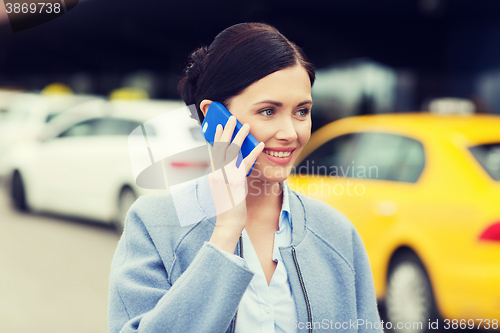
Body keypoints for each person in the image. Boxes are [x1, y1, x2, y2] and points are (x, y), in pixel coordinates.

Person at [108, 22, 382, 333]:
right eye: (268, 111)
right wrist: (225, 231)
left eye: (302, 111)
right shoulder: (153, 225)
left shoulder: (336, 233)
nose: (291, 133)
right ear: (214, 117)